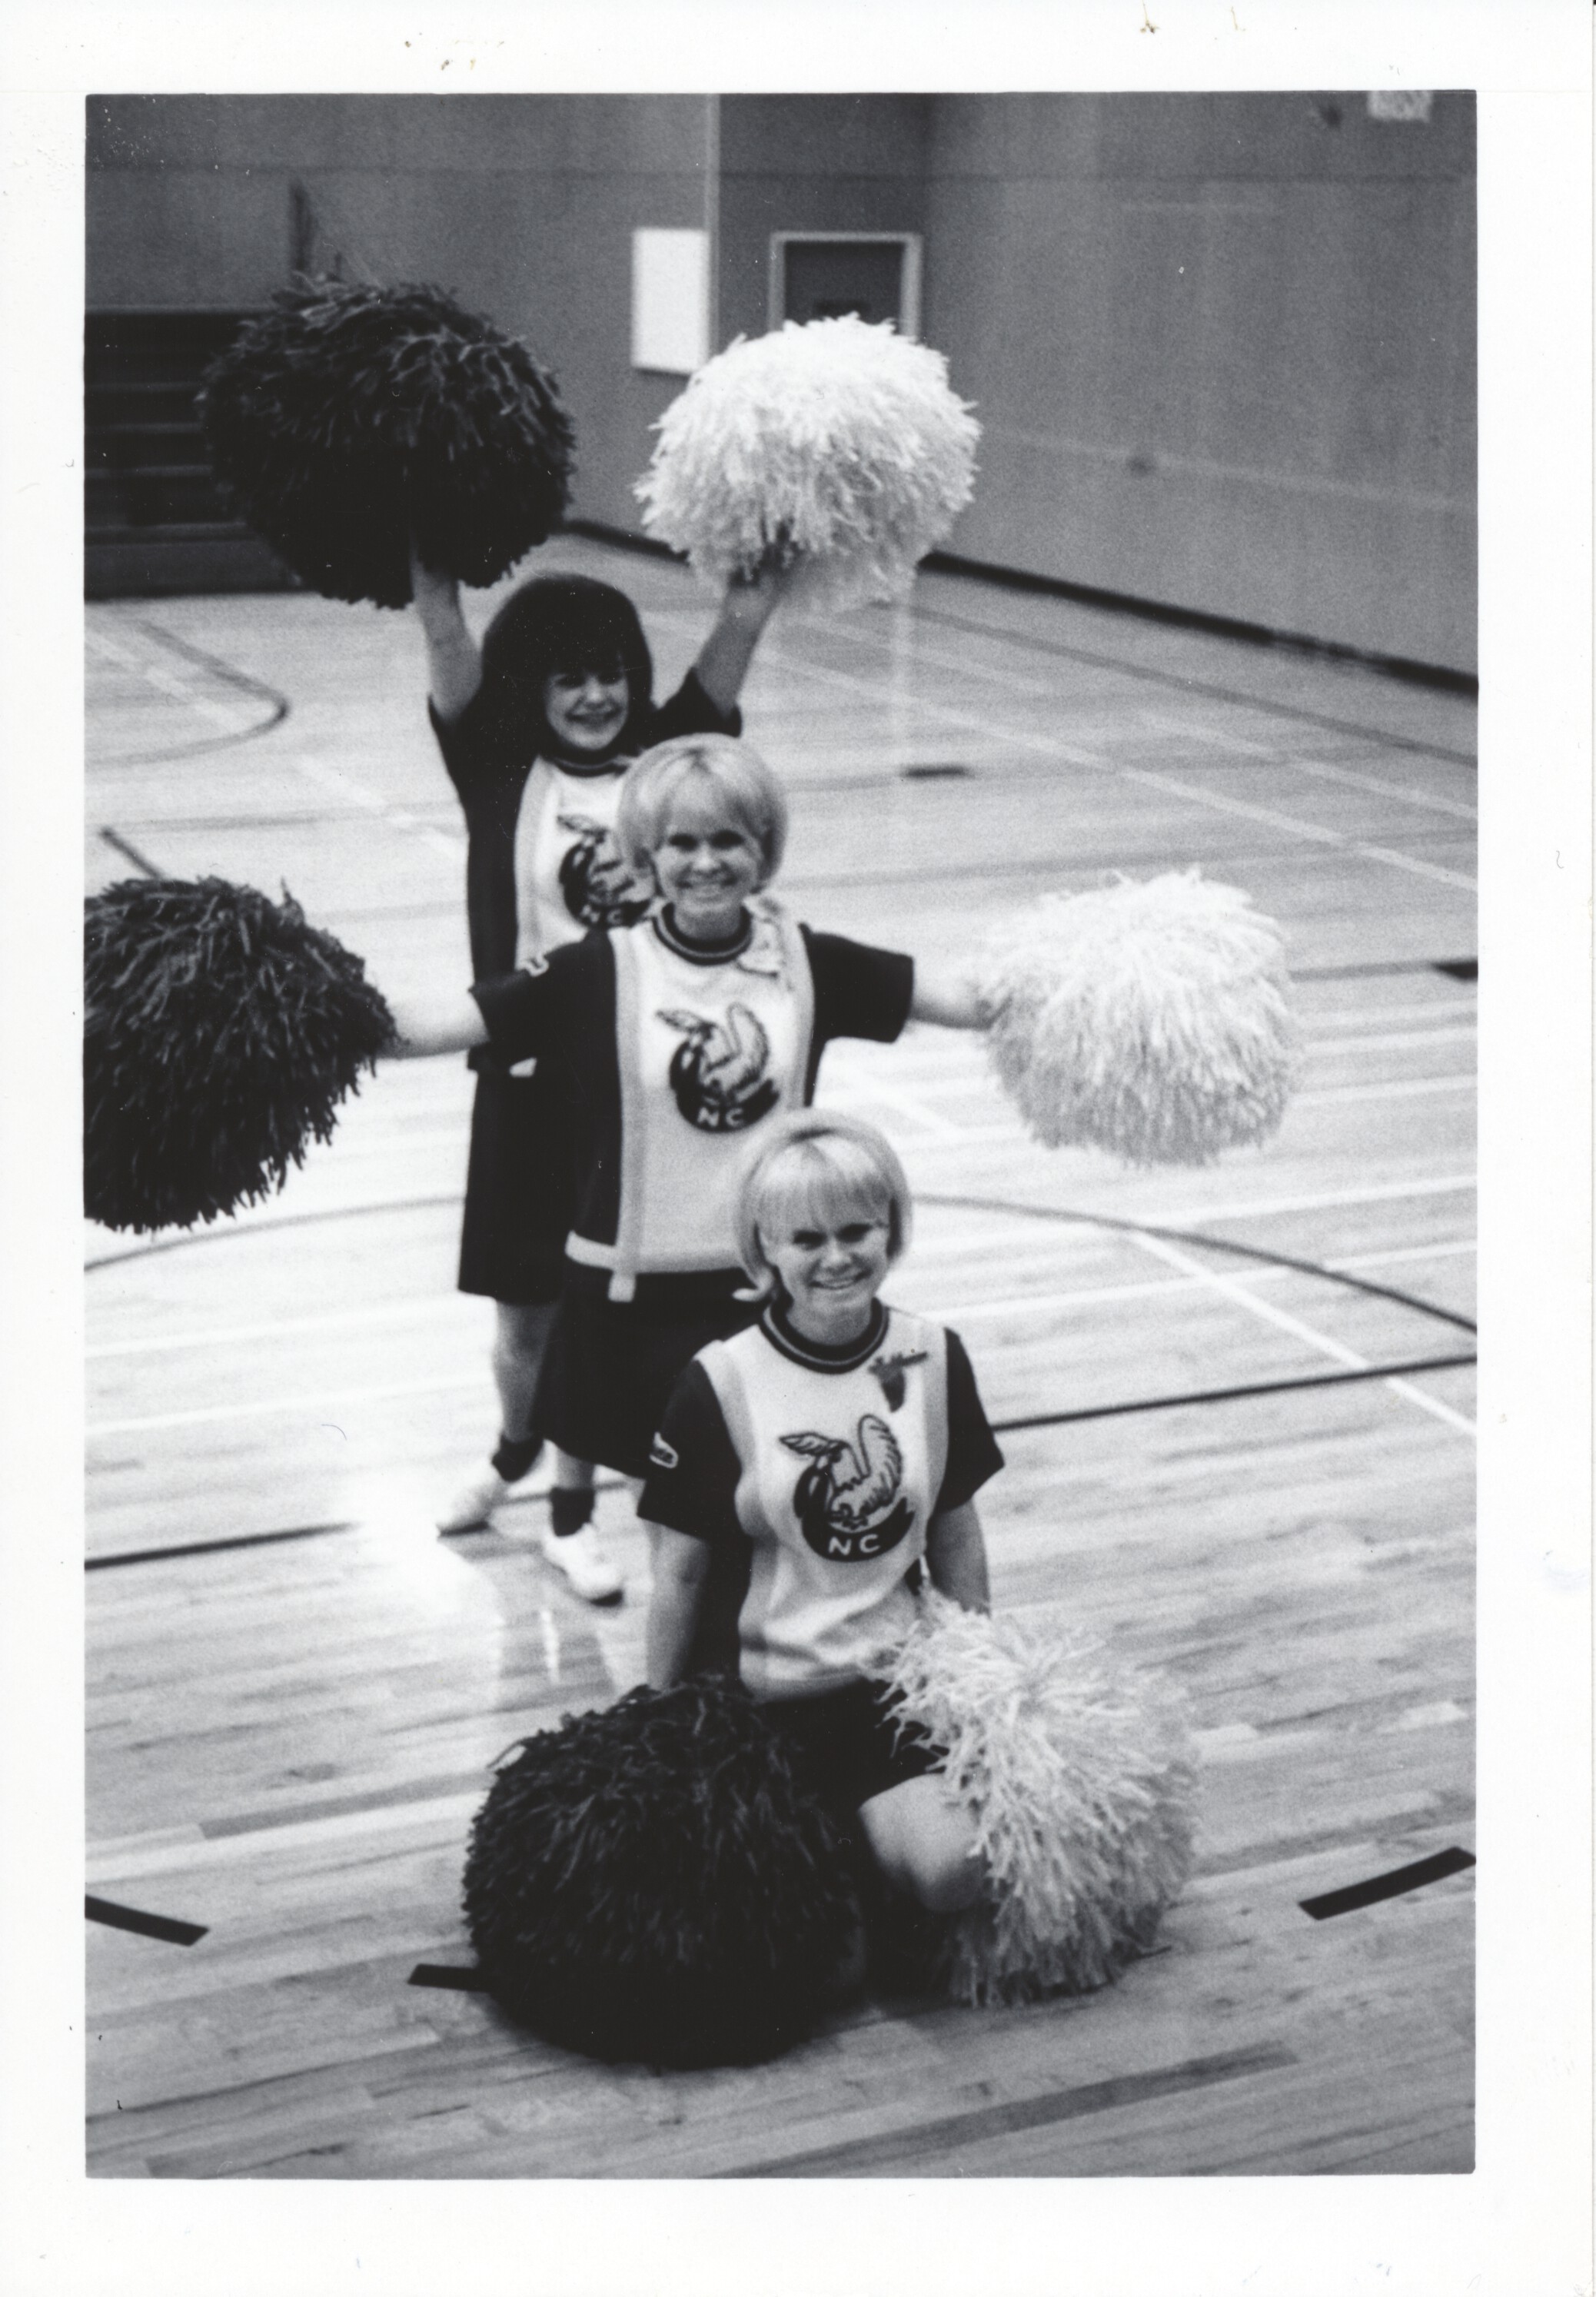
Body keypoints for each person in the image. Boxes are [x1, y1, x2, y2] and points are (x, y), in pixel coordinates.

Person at [385, 733, 989, 1564]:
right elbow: (426, 1030)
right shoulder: (592, 970)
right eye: (683, 843)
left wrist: (1121, 970)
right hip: (627, 1310)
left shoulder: (810, 963)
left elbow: (969, 1002)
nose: (707, 863)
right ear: (647, 855)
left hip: (771, 1302)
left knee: (758, 1549)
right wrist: (299, 1011)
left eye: (729, 840)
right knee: (679, 1557)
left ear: (763, 849)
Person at [411, 544, 790, 1597]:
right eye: (569, 677)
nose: (595, 695)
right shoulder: (496, 764)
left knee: (587, 1312)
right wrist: (428, 568)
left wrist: (747, 607)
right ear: (533, 686)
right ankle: (511, 1453)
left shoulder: (669, 762)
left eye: (611, 671)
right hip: (524, 1087)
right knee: (521, 1318)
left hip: (634, 1096)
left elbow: (724, 668)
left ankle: (573, 1516)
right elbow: (445, 636)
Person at [639, 1110, 1000, 1927]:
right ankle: (837, 1859)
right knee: (821, 1962)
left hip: (889, 1692)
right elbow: (680, 1571)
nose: (835, 1258)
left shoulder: (933, 1353)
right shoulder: (718, 1382)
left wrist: (981, 1684)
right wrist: (653, 1720)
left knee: (956, 1876)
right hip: (759, 1705)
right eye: (805, 1240)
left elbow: (955, 1529)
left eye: (855, 1231)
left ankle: (863, 1846)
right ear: (765, 1247)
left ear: (889, 1230)